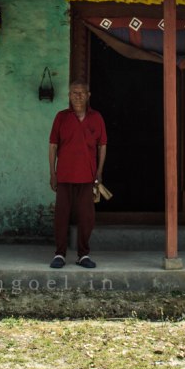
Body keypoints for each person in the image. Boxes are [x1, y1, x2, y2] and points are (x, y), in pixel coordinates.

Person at [48, 81, 107, 268]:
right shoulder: (61, 117)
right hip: (64, 175)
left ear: (89, 95)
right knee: (61, 215)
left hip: (87, 177)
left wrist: (99, 172)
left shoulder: (96, 118)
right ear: (69, 95)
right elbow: (53, 146)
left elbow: (102, 146)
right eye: (74, 92)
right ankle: (59, 254)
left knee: (86, 217)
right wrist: (52, 172)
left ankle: (83, 254)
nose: (78, 96)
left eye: (82, 92)